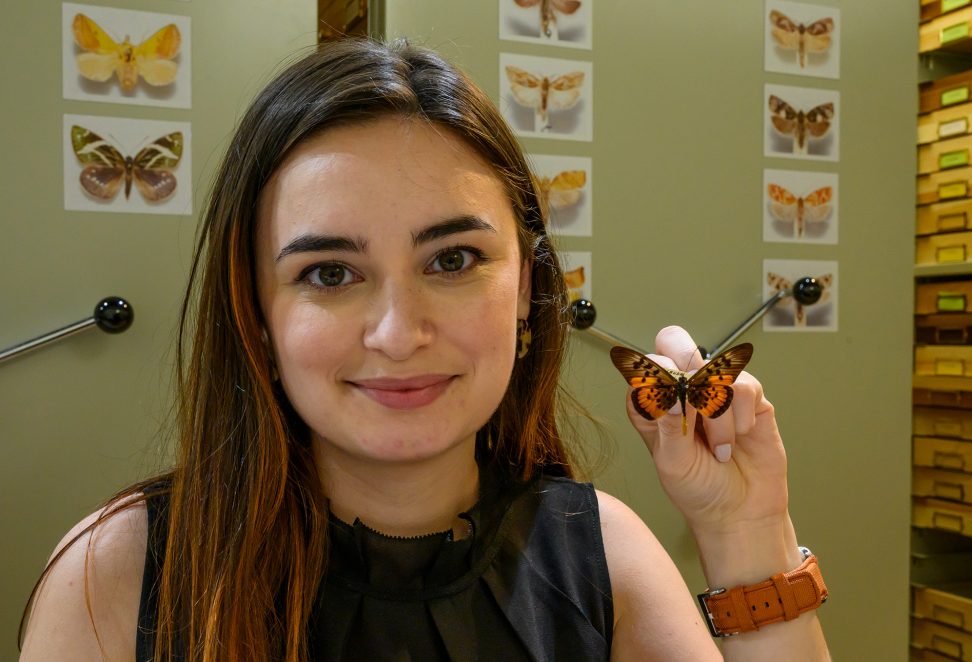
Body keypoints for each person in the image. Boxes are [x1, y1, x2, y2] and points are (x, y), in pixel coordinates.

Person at [19, 38, 830, 661]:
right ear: (257, 318)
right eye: (330, 272)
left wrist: (744, 531)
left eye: (452, 261)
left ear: (525, 292)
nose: (399, 333)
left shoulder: (605, 559)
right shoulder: (116, 575)